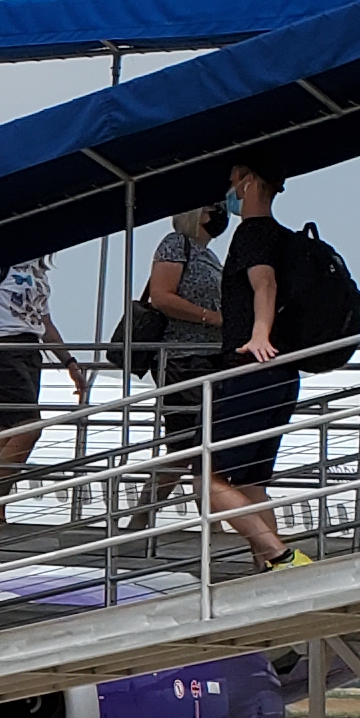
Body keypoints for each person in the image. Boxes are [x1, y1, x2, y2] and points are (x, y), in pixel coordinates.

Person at [204, 163, 313, 567]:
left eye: (233, 181)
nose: (230, 189)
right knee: (250, 481)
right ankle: (273, 566)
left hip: (255, 367)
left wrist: (260, 333)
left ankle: (279, 556)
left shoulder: (253, 233)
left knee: (206, 477)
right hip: (282, 373)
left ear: (248, 183)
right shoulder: (286, 238)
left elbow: (263, 282)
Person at [127, 204, 234, 506]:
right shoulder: (176, 245)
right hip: (183, 359)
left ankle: (205, 522)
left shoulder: (209, 256)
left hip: (210, 358)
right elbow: (161, 296)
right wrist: (210, 317)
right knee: (184, 445)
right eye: (215, 208)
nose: (221, 214)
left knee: (202, 447)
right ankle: (142, 517)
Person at [0, 252, 94, 489]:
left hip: (30, 348)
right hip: (3, 344)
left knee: (10, 432)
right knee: (28, 426)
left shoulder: (37, 270)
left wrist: (69, 362)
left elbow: (45, 323)